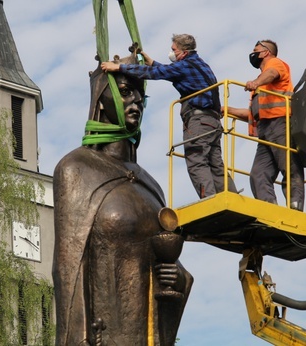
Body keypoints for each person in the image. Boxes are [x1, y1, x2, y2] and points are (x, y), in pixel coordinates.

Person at [53, 52, 193, 346]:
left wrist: (175, 279)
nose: (137, 102)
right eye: (126, 92)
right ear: (102, 99)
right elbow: (69, 270)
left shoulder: (151, 185)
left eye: (141, 96)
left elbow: (167, 269)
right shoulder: (77, 168)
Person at [101, 33, 237, 199]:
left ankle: (209, 200)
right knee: (216, 163)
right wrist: (152, 62)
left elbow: (157, 74)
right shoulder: (200, 64)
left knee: (197, 160)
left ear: (184, 51)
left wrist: (119, 68)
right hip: (212, 122)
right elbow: (168, 71)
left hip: (198, 121)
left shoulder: (185, 65)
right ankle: (231, 197)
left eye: (174, 49)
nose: (171, 52)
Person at [227, 40, 304, 210]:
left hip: (281, 124)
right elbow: (254, 115)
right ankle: (269, 208)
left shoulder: (275, 64)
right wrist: (227, 110)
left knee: (289, 167)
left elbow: (271, 73)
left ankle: (295, 207)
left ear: (266, 52)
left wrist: (256, 82)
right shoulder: (261, 87)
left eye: (256, 50)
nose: (253, 53)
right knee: (258, 173)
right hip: (265, 130)